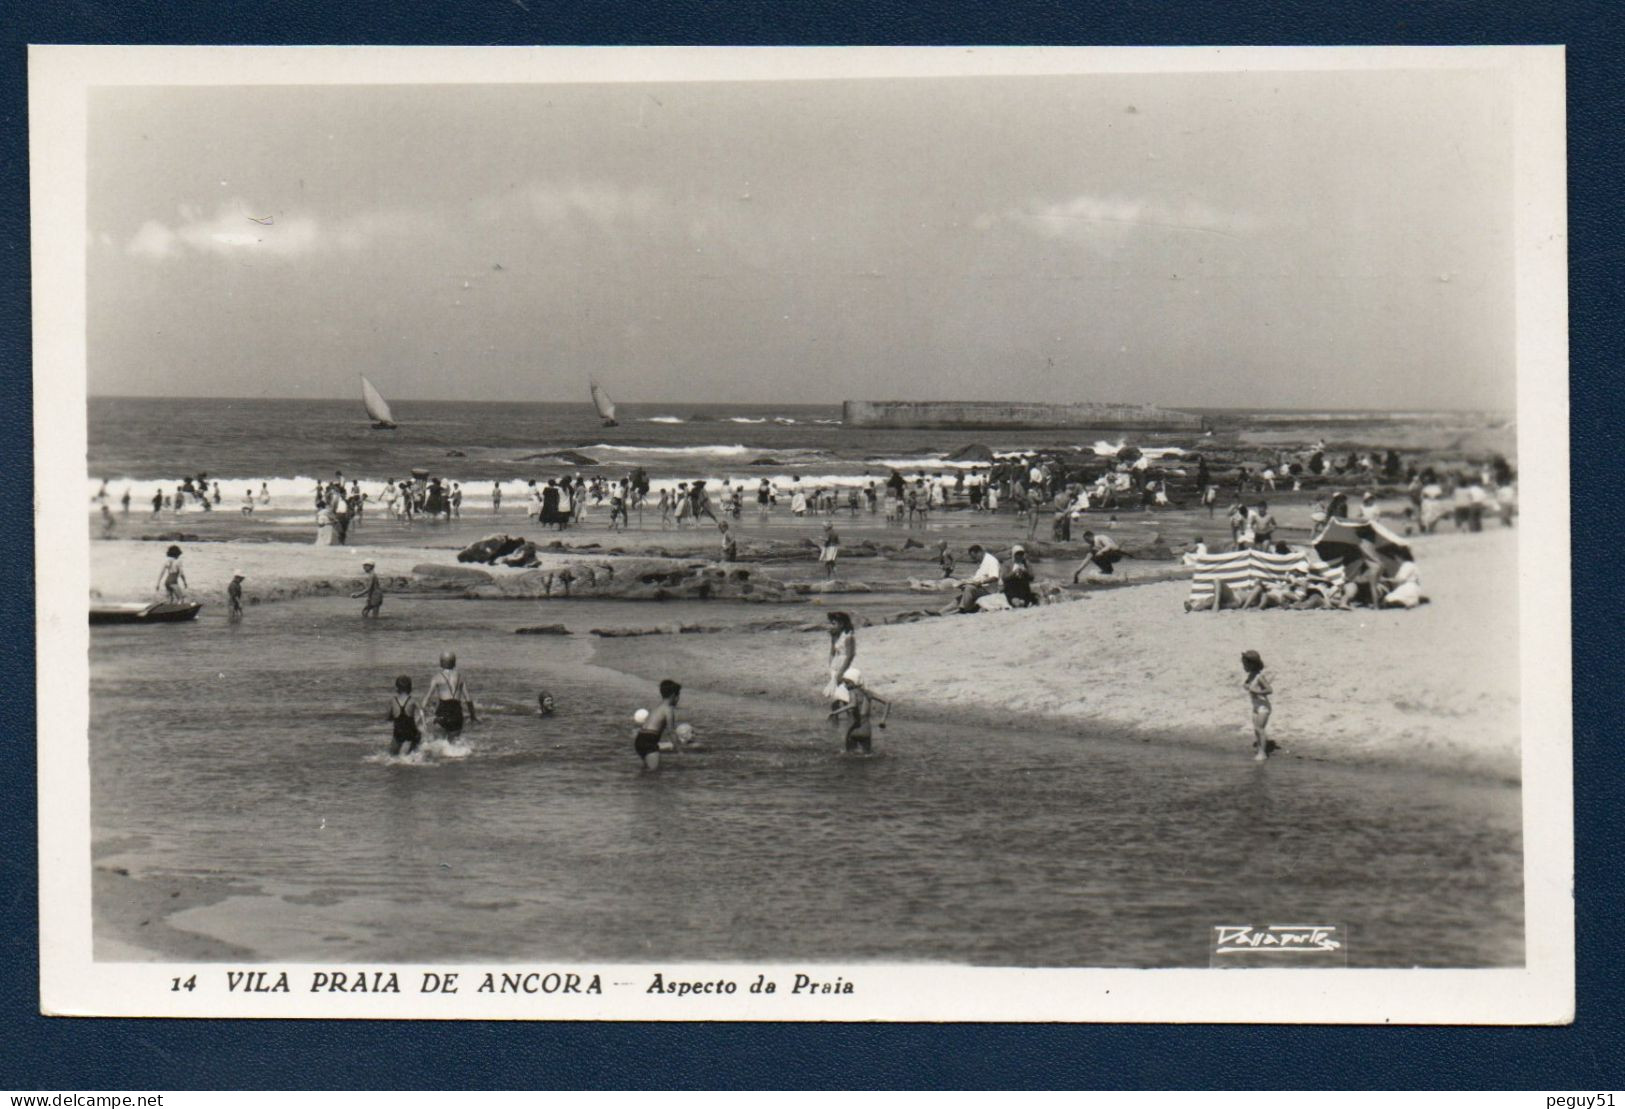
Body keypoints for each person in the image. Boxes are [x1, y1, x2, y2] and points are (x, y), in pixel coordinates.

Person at [827, 667, 890, 754]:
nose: (845, 685)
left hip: (853, 731)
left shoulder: (852, 692)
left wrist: (834, 712)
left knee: (849, 757)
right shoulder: (869, 693)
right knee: (868, 756)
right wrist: (883, 720)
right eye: (844, 682)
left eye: (847, 683)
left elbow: (853, 704)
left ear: (854, 682)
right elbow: (887, 702)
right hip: (866, 731)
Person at [425, 652, 477, 740]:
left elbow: (427, 698)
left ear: (441, 663)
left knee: (438, 742)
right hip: (457, 714)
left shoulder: (437, 677)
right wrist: (473, 716)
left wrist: (422, 711)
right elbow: (468, 699)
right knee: (453, 743)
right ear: (455, 663)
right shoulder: (460, 678)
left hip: (443, 712)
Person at [633, 679, 682, 771]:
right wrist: (679, 751)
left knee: (646, 771)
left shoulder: (657, 708)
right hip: (649, 740)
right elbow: (671, 732)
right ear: (673, 696)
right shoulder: (668, 710)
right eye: (678, 695)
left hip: (640, 739)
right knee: (654, 773)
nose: (679, 699)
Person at [947, 544, 1003, 614]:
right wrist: (964, 581)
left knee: (969, 588)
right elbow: (978, 577)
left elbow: (995, 577)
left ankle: (963, 610)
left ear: (979, 552)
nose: (974, 559)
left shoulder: (991, 561)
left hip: (988, 592)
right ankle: (940, 613)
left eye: (975, 557)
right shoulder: (983, 561)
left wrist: (980, 582)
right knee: (958, 599)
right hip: (979, 589)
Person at [1241, 650, 1273, 761]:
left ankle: (1263, 753)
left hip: (1263, 707)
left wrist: (1256, 691)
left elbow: (1269, 690)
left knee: (1260, 728)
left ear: (1252, 664)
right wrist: (1246, 686)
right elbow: (1247, 684)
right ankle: (1260, 748)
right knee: (1256, 729)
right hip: (1255, 706)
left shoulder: (1259, 677)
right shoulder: (1251, 675)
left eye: (1245, 664)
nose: (1243, 666)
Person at [823, 611, 857, 707]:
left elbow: (850, 655)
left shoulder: (848, 637)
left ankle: (852, 717)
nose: (831, 626)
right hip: (835, 666)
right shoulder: (835, 636)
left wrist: (841, 671)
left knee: (843, 693)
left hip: (844, 666)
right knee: (835, 693)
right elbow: (832, 652)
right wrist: (830, 666)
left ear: (841, 624)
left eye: (833, 623)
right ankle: (836, 716)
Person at [387, 676, 423, 757]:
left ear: (397, 688)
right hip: (410, 733)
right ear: (410, 688)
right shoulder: (413, 700)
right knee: (406, 757)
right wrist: (423, 723)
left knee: (391, 755)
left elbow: (388, 717)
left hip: (397, 732)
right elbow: (421, 711)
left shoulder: (393, 700)